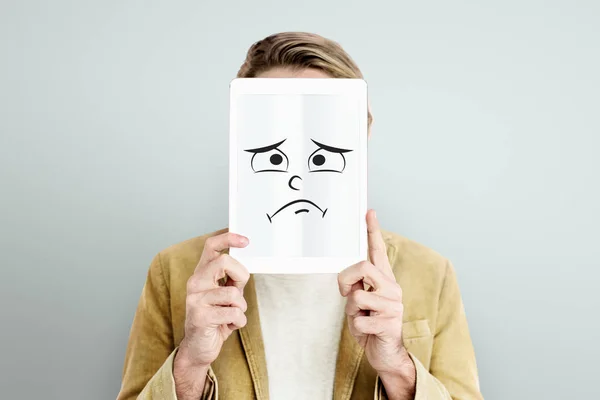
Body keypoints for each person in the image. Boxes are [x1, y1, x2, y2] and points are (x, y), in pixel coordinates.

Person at [117, 32, 483, 400]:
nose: (297, 173)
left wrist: (398, 368)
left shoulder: (430, 274)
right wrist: (190, 364)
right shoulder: (175, 271)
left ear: (362, 133)